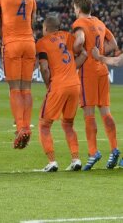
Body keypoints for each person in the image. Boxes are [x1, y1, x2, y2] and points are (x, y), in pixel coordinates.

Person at [72, 0, 119, 170]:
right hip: (102, 71)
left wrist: (76, 52)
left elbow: (80, 41)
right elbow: (113, 44)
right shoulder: (100, 23)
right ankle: (114, 148)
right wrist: (99, 52)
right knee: (106, 112)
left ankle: (93, 152)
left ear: (78, 8)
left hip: (88, 73)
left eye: (74, 8)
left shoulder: (79, 24)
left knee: (89, 114)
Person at [0, 0, 37, 149]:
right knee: (26, 88)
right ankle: (26, 126)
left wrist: (3, 35)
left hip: (12, 43)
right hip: (29, 42)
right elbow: (33, 19)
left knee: (14, 89)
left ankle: (20, 127)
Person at [36, 15, 87, 172]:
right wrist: (72, 69)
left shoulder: (42, 43)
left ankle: (52, 162)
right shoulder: (67, 36)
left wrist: (48, 85)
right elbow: (84, 54)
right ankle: (76, 159)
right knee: (68, 124)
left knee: (44, 125)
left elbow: (44, 67)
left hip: (58, 85)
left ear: (45, 28)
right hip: (74, 85)